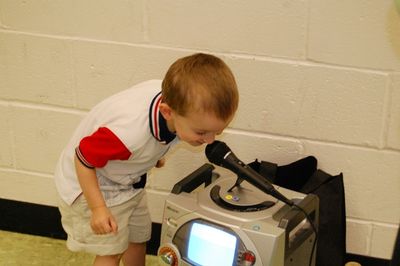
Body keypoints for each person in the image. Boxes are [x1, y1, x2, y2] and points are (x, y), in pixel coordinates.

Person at [54, 53, 239, 266]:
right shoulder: (129, 134)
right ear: (168, 112)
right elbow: (82, 158)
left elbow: (153, 138)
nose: (209, 140)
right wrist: (98, 209)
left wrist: (149, 157)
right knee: (111, 252)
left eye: (218, 132)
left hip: (126, 180)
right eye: (201, 132)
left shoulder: (173, 101)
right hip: (91, 187)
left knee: (138, 237)